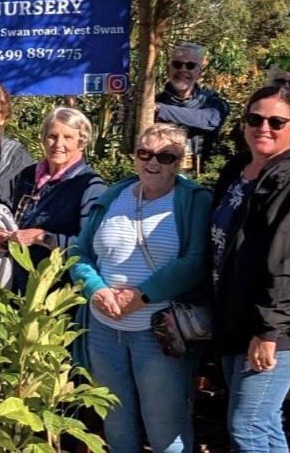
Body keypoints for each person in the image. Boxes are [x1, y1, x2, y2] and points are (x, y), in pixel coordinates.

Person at [70, 123, 213, 453]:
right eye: (145, 153)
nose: (153, 163)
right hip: (104, 330)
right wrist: (96, 289)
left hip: (158, 331)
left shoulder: (193, 199)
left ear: (180, 161)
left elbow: (195, 261)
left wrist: (141, 295)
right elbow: (79, 252)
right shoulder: (113, 194)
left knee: (166, 429)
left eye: (165, 156)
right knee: (116, 424)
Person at [212, 86, 290, 452]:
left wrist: (269, 332)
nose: (263, 127)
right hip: (241, 315)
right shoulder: (240, 169)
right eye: (254, 119)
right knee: (260, 421)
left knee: (247, 424)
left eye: (276, 121)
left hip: (280, 323)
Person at [0, 107, 105, 293]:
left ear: (82, 142)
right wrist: (6, 236)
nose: (58, 144)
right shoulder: (27, 175)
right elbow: (16, 218)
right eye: (52, 136)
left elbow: (91, 244)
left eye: (68, 137)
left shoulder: (90, 185)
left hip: (58, 290)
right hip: (18, 284)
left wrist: (43, 238)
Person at [155, 43, 230, 172]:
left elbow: (208, 120)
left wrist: (161, 110)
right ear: (168, 69)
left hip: (203, 176)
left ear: (199, 72)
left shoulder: (212, 102)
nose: (183, 70)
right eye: (177, 64)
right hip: (162, 174)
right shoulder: (154, 102)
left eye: (190, 66)